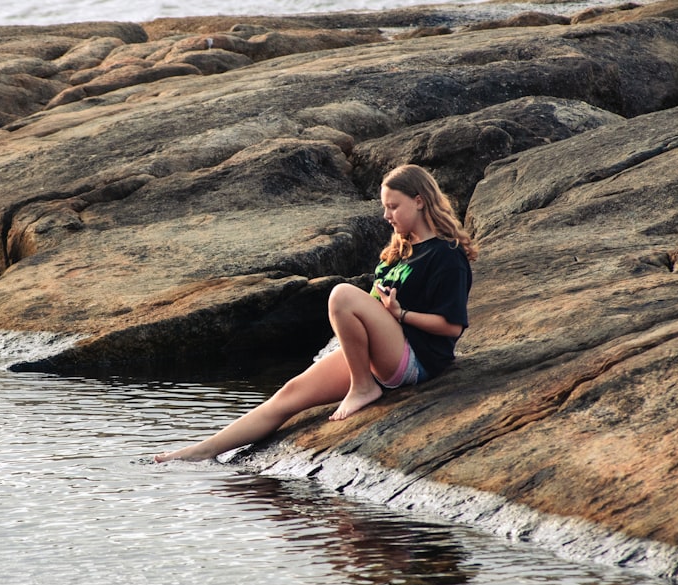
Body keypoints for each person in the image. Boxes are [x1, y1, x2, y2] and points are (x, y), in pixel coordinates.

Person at [154, 164, 478, 463]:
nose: (386, 215)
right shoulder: (400, 251)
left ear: (419, 201)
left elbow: (451, 327)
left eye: (393, 206)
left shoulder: (445, 256)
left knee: (341, 294)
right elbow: (370, 311)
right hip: (382, 353)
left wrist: (401, 313)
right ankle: (199, 451)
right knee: (289, 394)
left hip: (415, 359)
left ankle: (364, 388)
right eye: (384, 206)